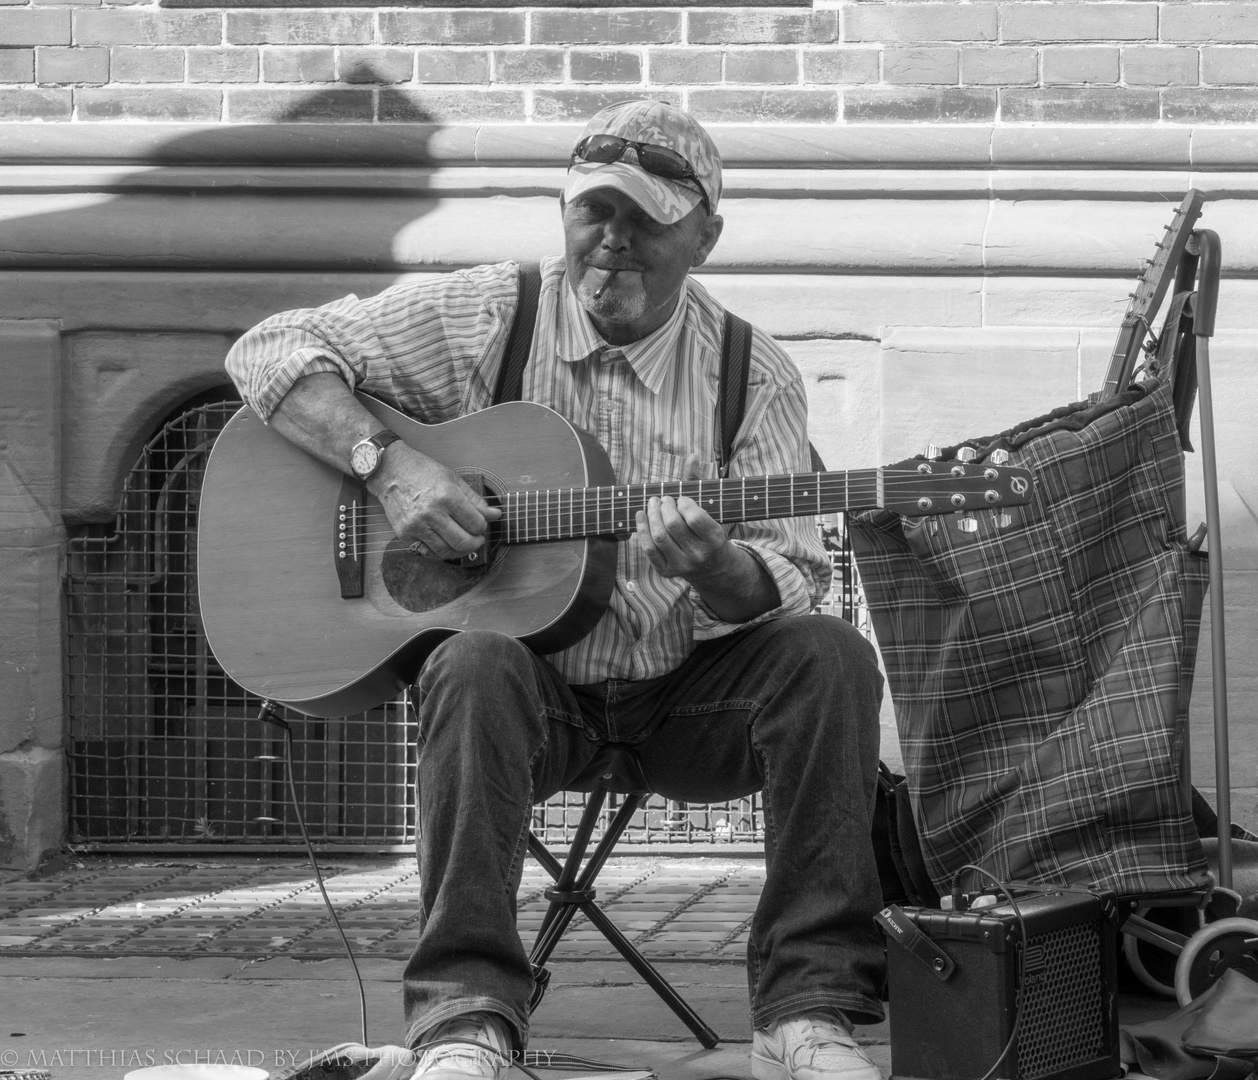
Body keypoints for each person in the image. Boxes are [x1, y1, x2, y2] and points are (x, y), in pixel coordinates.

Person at [225, 99, 886, 1080]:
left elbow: (782, 577)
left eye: (645, 218)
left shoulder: (756, 375)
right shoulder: (492, 314)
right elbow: (268, 351)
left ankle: (806, 1013)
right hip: (530, 702)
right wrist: (390, 467)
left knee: (831, 658)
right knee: (472, 658)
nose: (611, 241)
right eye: (591, 212)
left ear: (705, 233)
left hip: (686, 701)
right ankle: (463, 1028)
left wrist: (717, 567)